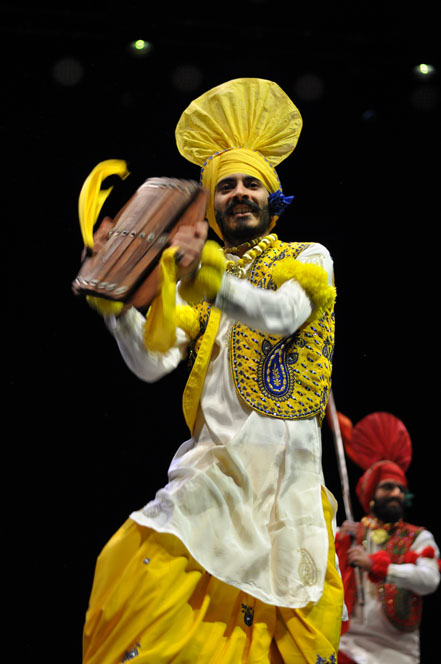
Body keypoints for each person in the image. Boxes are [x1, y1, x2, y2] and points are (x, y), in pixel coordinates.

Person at [82, 78, 344, 664]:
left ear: (273, 198)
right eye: (225, 186)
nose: (240, 193)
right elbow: (153, 364)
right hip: (214, 471)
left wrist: (207, 276)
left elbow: (281, 316)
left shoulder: (307, 258)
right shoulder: (201, 284)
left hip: (284, 482)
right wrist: (119, 307)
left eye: (252, 183)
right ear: (212, 203)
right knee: (138, 581)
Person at [334, 411, 440, 664]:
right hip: (346, 646)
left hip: (395, 654)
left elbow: (429, 580)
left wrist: (379, 567)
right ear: (371, 494)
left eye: (400, 489)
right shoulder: (349, 534)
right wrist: (338, 542)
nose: (396, 493)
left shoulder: (419, 537)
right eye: (388, 487)